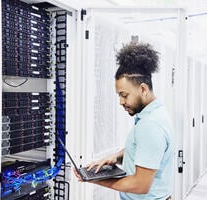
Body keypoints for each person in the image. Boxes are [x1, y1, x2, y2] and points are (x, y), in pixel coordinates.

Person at [74, 42, 174, 200]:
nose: (121, 101)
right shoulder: (155, 113)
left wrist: (96, 179)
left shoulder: (150, 126)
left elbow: (140, 185)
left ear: (143, 89)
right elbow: (143, 149)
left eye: (124, 95)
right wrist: (116, 157)